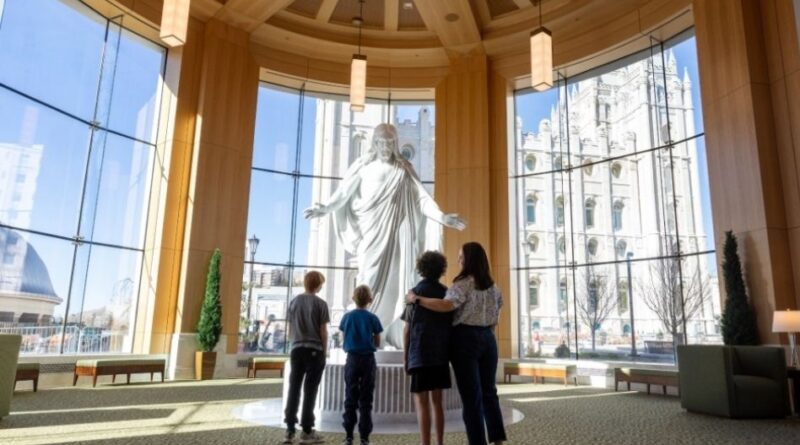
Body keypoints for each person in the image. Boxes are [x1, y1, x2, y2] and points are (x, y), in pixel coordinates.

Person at [304, 123, 465, 347]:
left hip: (398, 238)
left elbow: (422, 199)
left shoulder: (403, 169)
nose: (386, 147)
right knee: (368, 278)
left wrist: (441, 217)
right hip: (371, 235)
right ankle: (367, 335)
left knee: (397, 285)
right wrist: (324, 208)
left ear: (395, 144)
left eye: (390, 143)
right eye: (382, 142)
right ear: (375, 143)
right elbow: (343, 194)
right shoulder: (363, 167)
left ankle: (389, 333)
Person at [406, 242, 506, 445]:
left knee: (471, 397)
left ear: (469, 260)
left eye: (461, 257)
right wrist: (485, 334)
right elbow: (497, 315)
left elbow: (446, 305)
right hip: (489, 340)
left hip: (466, 340)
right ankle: (498, 441)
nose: (459, 260)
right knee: (489, 392)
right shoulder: (493, 287)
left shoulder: (463, 284)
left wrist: (416, 299)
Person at [402, 251, 452, 445]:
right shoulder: (446, 292)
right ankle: (440, 442)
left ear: (421, 269)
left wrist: (406, 357)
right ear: (441, 269)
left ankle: (425, 443)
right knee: (437, 402)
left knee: (421, 403)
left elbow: (407, 329)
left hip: (419, 353)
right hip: (440, 353)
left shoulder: (413, 293)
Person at [283, 271, 330, 444]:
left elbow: (290, 329)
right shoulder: (321, 304)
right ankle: (307, 430)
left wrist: (294, 343)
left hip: (296, 349)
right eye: (321, 284)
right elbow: (323, 332)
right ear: (318, 285)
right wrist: (324, 352)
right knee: (310, 390)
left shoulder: (294, 302)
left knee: (294, 388)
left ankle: (289, 430)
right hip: (314, 350)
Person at [339, 285, 383, 445]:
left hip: (352, 358)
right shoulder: (373, 318)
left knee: (350, 396)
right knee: (366, 398)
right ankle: (364, 438)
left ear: (353, 298)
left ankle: (349, 436)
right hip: (368, 359)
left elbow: (344, 337)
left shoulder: (347, 317)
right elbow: (377, 341)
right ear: (370, 300)